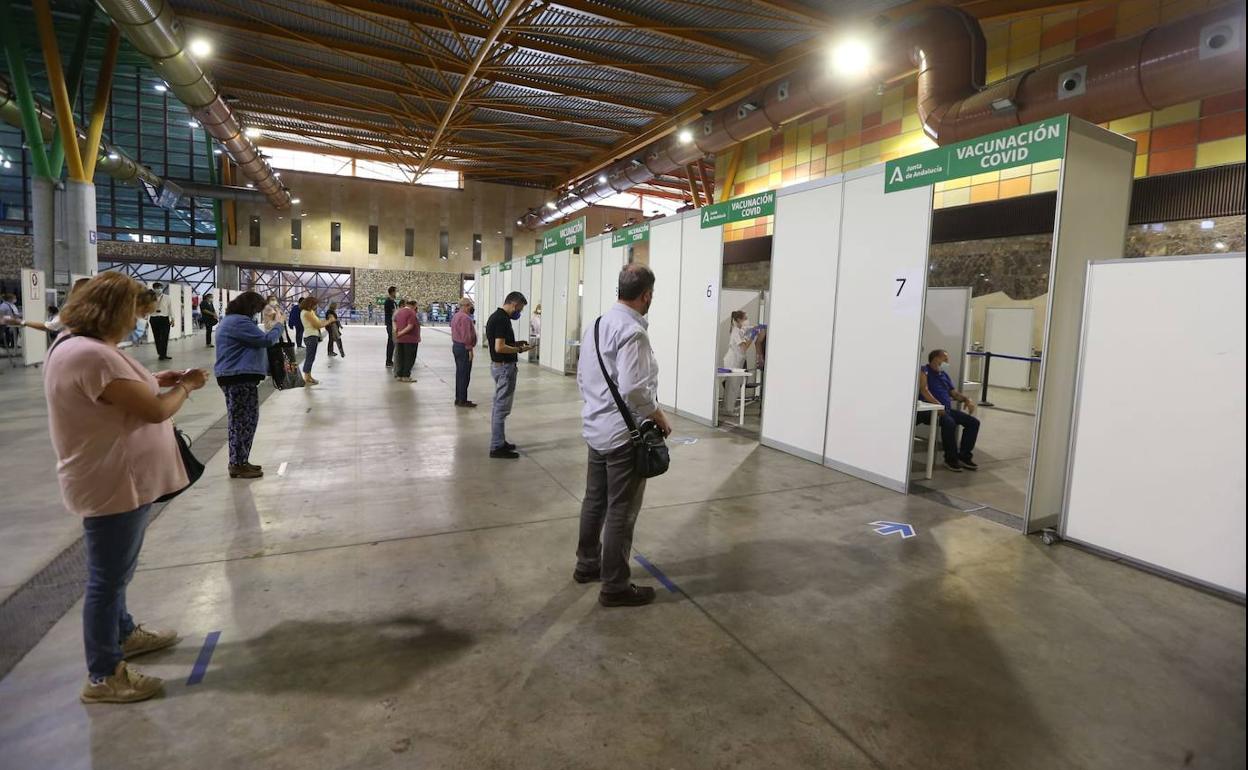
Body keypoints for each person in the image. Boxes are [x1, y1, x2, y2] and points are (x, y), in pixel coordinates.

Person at [43, 272, 208, 703]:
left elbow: (122, 393)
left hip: (118, 478)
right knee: (108, 579)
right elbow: (154, 411)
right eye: (135, 313)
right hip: (113, 480)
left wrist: (156, 379)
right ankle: (103, 675)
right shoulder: (93, 356)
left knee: (117, 573)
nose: (138, 321)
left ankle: (123, 633)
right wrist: (185, 387)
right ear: (116, 311)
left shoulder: (82, 347)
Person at [574, 264, 671, 607]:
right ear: (646, 295)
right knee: (621, 511)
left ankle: (587, 564)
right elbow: (633, 388)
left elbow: (583, 377)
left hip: (596, 429)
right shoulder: (633, 332)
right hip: (623, 436)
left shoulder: (597, 326)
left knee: (594, 501)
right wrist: (657, 415)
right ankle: (614, 586)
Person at [214, 292, 285, 479]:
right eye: (257, 309)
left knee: (246, 421)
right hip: (238, 377)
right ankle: (237, 463)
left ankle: (241, 460)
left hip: (237, 376)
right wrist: (279, 325)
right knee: (241, 422)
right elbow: (266, 340)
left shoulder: (232, 321)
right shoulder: (238, 322)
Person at [485, 292, 532, 459]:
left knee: (500, 406)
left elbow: (502, 343)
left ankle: (500, 440)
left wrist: (517, 344)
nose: (519, 312)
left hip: (500, 366)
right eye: (519, 308)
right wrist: (519, 350)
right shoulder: (502, 319)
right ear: (514, 304)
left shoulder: (496, 317)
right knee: (501, 408)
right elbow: (499, 347)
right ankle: (497, 446)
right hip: (504, 368)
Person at [919, 349, 981, 473]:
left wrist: (966, 399)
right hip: (930, 409)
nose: (947, 362)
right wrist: (938, 405)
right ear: (936, 358)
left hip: (945, 410)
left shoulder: (944, 375)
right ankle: (950, 459)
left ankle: (964, 456)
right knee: (949, 423)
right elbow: (923, 390)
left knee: (973, 422)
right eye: (945, 359)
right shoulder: (924, 370)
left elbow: (953, 393)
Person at [5, 278, 90, 339]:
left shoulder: (73, 307)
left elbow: (50, 326)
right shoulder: (97, 308)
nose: (71, 291)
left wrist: (23, 322)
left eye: (74, 287)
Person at [721, 310, 753, 416]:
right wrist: (752, 337)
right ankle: (729, 410)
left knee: (732, 385)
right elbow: (744, 347)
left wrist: (750, 332)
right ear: (739, 320)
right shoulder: (735, 331)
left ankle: (727, 408)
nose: (747, 321)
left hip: (735, 360)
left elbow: (744, 339)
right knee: (733, 386)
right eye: (745, 318)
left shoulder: (738, 330)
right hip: (733, 361)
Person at [450, 296, 477, 407]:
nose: (471, 307)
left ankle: (459, 398)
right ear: (465, 306)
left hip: (456, 346)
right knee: (464, 374)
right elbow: (467, 336)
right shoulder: (466, 318)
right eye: (470, 305)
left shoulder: (456, 316)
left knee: (460, 374)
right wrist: (469, 349)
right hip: (463, 348)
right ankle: (462, 400)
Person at [299, 297, 329, 385]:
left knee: (311, 357)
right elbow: (317, 325)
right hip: (310, 337)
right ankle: (307, 377)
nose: (316, 306)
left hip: (313, 336)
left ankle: (308, 375)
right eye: (315, 304)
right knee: (310, 357)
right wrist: (329, 321)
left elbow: (318, 322)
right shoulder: (306, 313)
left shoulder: (310, 312)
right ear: (310, 304)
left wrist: (324, 322)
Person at [392, 299, 421, 383]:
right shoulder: (412, 313)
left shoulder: (399, 312)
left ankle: (399, 375)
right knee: (409, 358)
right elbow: (410, 326)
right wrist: (401, 333)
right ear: (414, 305)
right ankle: (406, 376)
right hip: (410, 339)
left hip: (400, 339)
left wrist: (397, 332)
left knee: (401, 357)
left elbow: (395, 322)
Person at [148, 281, 174, 361]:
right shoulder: (150, 298)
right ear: (154, 289)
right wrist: (145, 320)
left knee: (165, 337)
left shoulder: (167, 297)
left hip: (164, 318)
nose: (159, 289)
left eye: (160, 288)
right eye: (157, 288)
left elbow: (170, 308)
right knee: (157, 337)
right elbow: (146, 309)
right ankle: (160, 353)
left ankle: (163, 354)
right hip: (154, 318)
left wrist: (172, 318)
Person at [383, 286, 397, 368]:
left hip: (393, 323)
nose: (396, 293)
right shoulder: (388, 301)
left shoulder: (393, 302)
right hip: (390, 324)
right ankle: (388, 361)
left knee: (392, 342)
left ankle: (390, 360)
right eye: (395, 291)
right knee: (391, 342)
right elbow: (394, 312)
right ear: (392, 292)